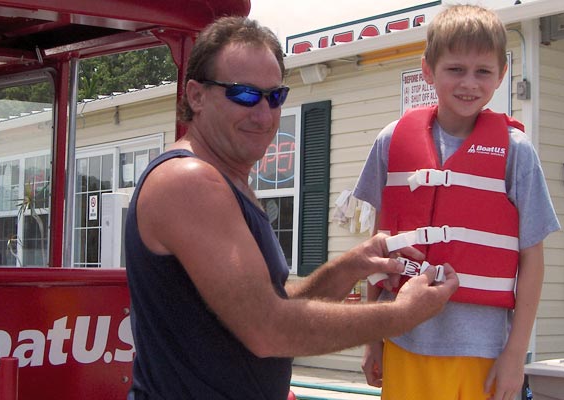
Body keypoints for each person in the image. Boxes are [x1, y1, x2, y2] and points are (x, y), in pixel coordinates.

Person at [125, 16, 459, 400]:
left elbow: (274, 310)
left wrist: (347, 268)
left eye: (275, 96)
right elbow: (269, 330)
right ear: (196, 95)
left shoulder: (230, 182)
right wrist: (402, 315)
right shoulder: (188, 181)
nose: (264, 115)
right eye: (244, 95)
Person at [354, 5, 560, 400]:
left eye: (483, 71)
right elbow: (379, 248)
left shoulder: (517, 152)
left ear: (501, 74)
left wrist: (515, 354)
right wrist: (372, 337)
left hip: (483, 354)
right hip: (403, 341)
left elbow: (533, 259)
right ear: (428, 70)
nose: (469, 83)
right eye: (455, 69)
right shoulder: (391, 142)